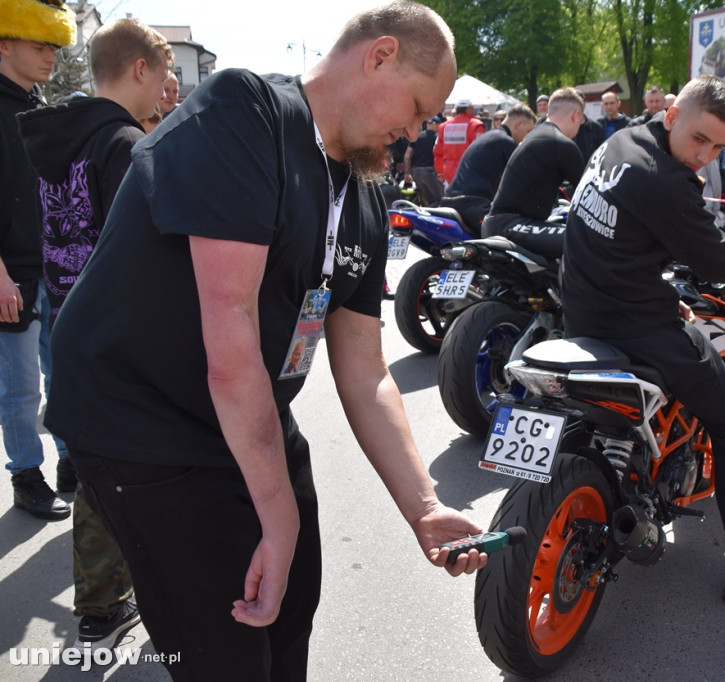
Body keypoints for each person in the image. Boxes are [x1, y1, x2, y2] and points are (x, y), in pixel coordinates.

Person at [43, 3, 484, 679]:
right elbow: (232, 332)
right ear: (380, 55)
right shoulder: (245, 110)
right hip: (141, 421)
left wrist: (424, 506)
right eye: (421, 106)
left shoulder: (363, 193)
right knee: (228, 644)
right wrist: (275, 523)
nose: (417, 132)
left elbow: (366, 372)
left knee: (290, 609)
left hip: (246, 414)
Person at [560, 74, 725, 606]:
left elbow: (619, 237)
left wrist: (664, 294)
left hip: (581, 309)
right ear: (671, 116)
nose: (705, 155)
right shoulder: (668, 181)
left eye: (718, 146)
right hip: (636, 328)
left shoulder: (619, 142)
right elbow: (718, 258)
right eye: (699, 139)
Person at [17, 15, 173, 652]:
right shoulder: (123, 146)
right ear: (138, 68)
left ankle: (100, 600)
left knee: (89, 460)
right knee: (133, 467)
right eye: (163, 75)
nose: (166, 89)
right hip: (121, 332)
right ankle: (120, 599)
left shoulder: (51, 135)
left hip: (65, 314)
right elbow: (146, 254)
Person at [0, 0, 77, 520]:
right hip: (13, 272)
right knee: (22, 385)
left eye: (54, 46)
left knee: (67, 372)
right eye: (40, 46)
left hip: (56, 265)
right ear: (5, 43)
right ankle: (27, 473)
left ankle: (72, 460)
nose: (50, 56)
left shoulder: (42, 103)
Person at [482, 87, 586, 258]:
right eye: (581, 120)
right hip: (512, 224)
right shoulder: (561, 144)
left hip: (497, 223)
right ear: (575, 115)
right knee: (586, 242)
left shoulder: (536, 135)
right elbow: (589, 195)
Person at [439, 102, 536, 234]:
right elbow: (526, 177)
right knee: (512, 236)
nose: (528, 137)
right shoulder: (506, 142)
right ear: (518, 125)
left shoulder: (489, 137)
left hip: (451, 201)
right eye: (528, 131)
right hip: (472, 205)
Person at [433, 97, 484, 185]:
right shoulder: (476, 125)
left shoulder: (444, 126)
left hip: (449, 172)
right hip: (469, 172)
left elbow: (438, 152)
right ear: (470, 109)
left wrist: (440, 171)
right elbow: (480, 152)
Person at [403, 114, 443, 206]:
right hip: (432, 172)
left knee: (426, 201)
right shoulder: (438, 137)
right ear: (436, 124)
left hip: (417, 173)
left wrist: (407, 173)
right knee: (439, 200)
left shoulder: (417, 136)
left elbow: (407, 156)